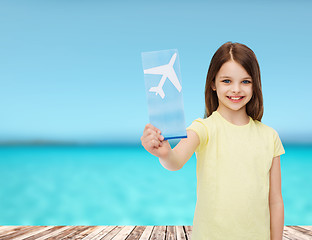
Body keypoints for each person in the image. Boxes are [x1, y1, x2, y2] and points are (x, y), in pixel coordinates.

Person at [140, 41, 285, 240]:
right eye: (227, 81)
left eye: (245, 81)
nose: (236, 89)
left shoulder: (270, 136)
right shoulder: (203, 128)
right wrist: (164, 153)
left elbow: (275, 201)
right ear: (213, 83)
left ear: (255, 84)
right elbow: (175, 161)